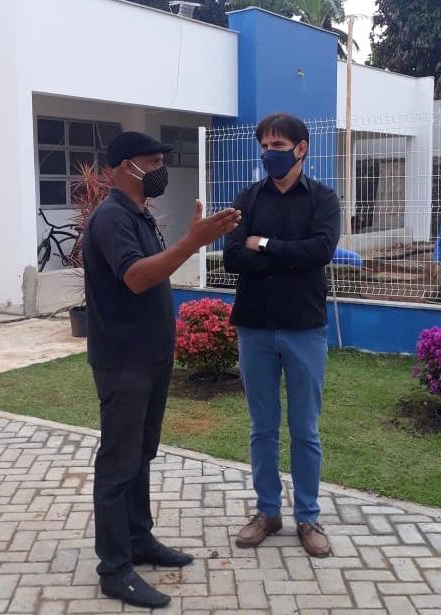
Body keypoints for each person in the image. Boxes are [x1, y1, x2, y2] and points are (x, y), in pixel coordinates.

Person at [82, 131, 240, 608]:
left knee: (141, 454)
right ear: (124, 166)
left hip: (150, 356)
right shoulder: (110, 217)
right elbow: (136, 277)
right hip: (123, 359)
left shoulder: (139, 215)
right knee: (118, 463)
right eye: (151, 161)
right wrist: (193, 242)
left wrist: (191, 240)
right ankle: (114, 568)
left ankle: (138, 539)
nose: (158, 170)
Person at [223, 113, 340, 558]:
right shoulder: (248, 198)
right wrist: (281, 254)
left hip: (304, 330)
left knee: (305, 429)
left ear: (301, 147)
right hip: (254, 327)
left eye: (278, 144)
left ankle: (308, 517)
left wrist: (265, 245)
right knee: (262, 428)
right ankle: (267, 512)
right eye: (265, 145)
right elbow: (233, 256)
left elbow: (320, 252)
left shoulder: (323, 200)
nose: (270, 152)